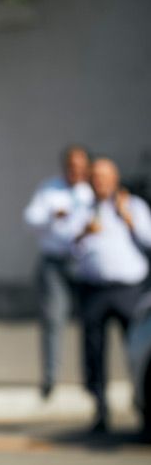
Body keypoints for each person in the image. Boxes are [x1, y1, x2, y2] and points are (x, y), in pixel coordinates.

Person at [65, 157, 151, 433]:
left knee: (139, 350)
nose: (99, 181)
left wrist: (129, 219)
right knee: (94, 352)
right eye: (95, 177)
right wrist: (81, 234)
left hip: (129, 290)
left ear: (115, 179)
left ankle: (144, 410)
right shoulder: (83, 210)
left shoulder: (134, 207)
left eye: (104, 176)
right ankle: (101, 409)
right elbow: (64, 247)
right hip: (94, 290)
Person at [23, 145, 94, 397]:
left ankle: (92, 381)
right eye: (71, 166)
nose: (75, 170)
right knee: (54, 319)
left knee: (92, 323)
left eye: (80, 166)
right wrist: (52, 215)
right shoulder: (50, 189)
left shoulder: (91, 191)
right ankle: (51, 378)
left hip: (85, 263)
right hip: (55, 263)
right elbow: (30, 218)